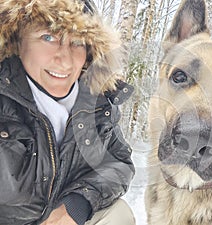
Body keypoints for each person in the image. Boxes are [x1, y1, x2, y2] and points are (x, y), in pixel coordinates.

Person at [0, 0, 136, 224]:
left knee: (118, 214)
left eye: (77, 42)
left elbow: (118, 162)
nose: (64, 60)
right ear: (16, 39)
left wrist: (77, 204)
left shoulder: (96, 104)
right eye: (48, 37)